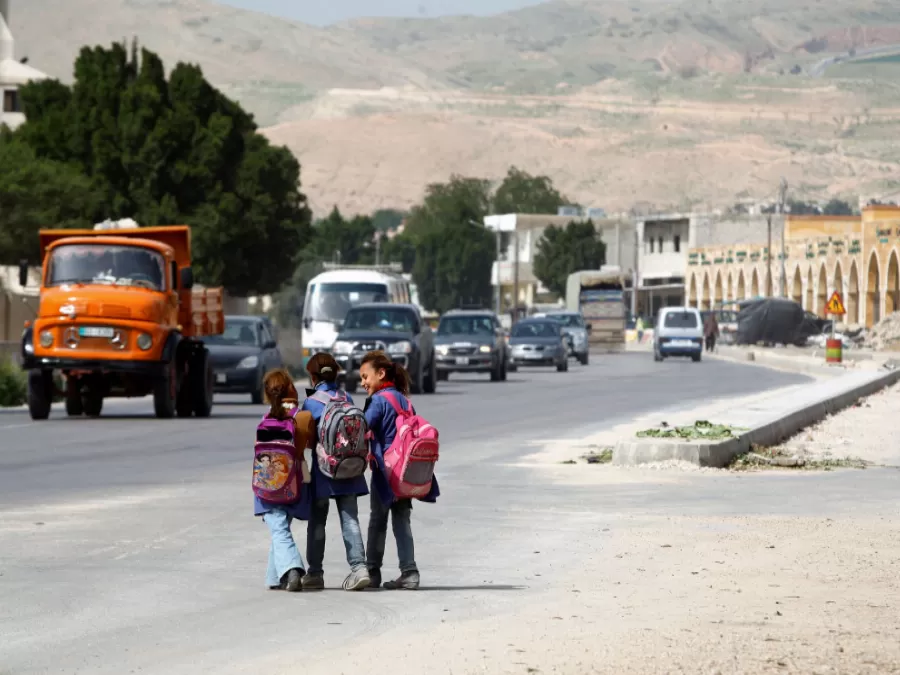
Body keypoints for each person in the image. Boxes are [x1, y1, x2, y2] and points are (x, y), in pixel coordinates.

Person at [359, 351, 440, 590]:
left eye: (365, 377)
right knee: (402, 520)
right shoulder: (404, 400)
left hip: (385, 472)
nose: (363, 383)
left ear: (381, 373)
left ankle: (372, 571)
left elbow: (362, 427)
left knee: (378, 520)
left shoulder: (378, 401)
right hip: (406, 472)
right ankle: (409, 572)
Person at [300, 353, 371, 591]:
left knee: (317, 521)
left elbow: (307, 439)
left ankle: (315, 573)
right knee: (350, 518)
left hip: (324, 471)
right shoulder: (346, 397)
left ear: (313, 376)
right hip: (349, 467)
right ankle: (359, 568)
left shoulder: (311, 403)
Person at [255, 369, 314, 592]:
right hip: (294, 482)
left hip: (267, 483)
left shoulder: (265, 419)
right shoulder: (302, 417)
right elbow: (310, 444)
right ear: (291, 388)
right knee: (280, 527)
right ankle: (275, 577)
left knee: (278, 529)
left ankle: (292, 569)